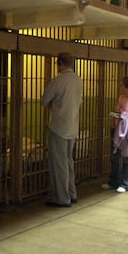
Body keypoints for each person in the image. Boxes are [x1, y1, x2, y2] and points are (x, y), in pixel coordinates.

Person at [41, 52, 84, 207]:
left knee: (59, 164)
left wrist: (55, 105)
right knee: (68, 162)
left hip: (58, 127)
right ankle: (72, 194)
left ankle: (62, 198)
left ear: (60, 64)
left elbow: (44, 100)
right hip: (73, 127)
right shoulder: (78, 81)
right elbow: (79, 101)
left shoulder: (58, 81)